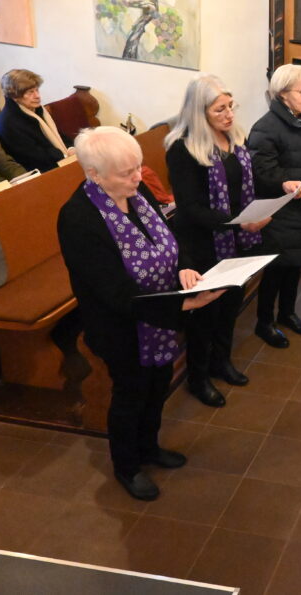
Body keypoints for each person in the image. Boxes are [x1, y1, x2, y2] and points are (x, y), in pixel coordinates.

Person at [57, 126, 224, 500]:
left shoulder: (137, 192)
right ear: (94, 174)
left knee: (158, 385)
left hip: (159, 318)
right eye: (125, 172)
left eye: (138, 167)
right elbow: (112, 291)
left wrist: (183, 265)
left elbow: (169, 237)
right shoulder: (79, 218)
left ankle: (149, 447)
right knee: (131, 393)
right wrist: (180, 303)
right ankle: (127, 467)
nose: (137, 177)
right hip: (121, 327)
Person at [166, 75, 266, 408]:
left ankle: (221, 362)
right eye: (219, 109)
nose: (228, 115)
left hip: (235, 239)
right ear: (199, 112)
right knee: (204, 315)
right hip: (202, 243)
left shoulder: (233, 139)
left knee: (229, 306)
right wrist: (239, 222)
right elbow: (191, 209)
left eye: (230, 106)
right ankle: (198, 378)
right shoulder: (183, 149)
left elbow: (244, 186)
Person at [248, 64, 301, 343]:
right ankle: (264, 322)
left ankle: (288, 313)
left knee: (296, 264)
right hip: (278, 210)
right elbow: (262, 172)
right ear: (282, 94)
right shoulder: (266, 128)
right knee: (277, 268)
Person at [0, 68, 70, 172]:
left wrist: (71, 148)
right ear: (14, 95)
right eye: (30, 92)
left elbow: (58, 135)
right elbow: (33, 156)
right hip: (39, 172)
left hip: (58, 161)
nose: (37, 96)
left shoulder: (38, 110)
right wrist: (65, 155)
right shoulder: (8, 122)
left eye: (37, 90)